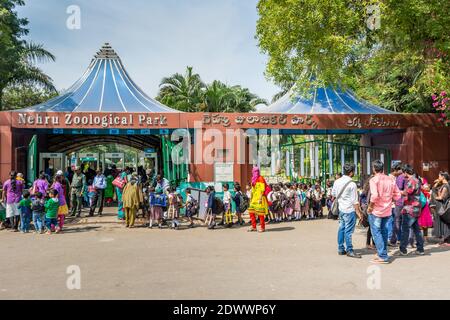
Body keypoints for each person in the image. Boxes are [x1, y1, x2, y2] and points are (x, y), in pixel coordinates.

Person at [367, 160, 402, 263]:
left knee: (376, 232)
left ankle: (382, 255)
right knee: (384, 231)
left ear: (374, 168)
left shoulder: (373, 180)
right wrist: (391, 200)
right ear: (382, 168)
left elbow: (374, 196)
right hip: (387, 209)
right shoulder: (390, 179)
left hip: (376, 210)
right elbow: (398, 194)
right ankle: (381, 253)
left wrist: (370, 207)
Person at [332, 163, 363, 259]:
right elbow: (355, 201)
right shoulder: (352, 184)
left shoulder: (337, 181)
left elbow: (333, 194)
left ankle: (341, 249)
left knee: (341, 228)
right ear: (351, 172)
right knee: (348, 231)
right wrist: (359, 213)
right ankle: (349, 250)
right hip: (349, 210)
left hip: (341, 209)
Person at [399, 165, 425, 256]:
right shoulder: (417, 180)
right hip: (416, 208)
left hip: (410, 209)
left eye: (403, 172)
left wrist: (397, 191)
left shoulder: (412, 181)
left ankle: (403, 249)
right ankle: (420, 249)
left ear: (406, 172)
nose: (402, 174)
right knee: (417, 229)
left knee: (405, 230)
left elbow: (407, 192)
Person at [248, 166, 270, 233]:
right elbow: (252, 190)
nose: (254, 172)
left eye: (255, 171)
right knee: (251, 212)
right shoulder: (253, 179)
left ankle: (262, 227)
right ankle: (254, 226)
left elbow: (262, 189)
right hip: (254, 198)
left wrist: (260, 198)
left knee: (260, 214)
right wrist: (251, 198)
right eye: (254, 171)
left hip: (260, 198)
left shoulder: (261, 178)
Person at [431, 171, 450, 246]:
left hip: (443, 206)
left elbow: (441, 197)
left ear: (443, 177)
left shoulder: (445, 186)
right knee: (444, 223)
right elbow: (434, 188)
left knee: (445, 223)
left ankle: (447, 240)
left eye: (439, 176)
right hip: (442, 206)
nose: (438, 177)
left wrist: (435, 197)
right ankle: (445, 240)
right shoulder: (445, 185)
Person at [389, 163, 406, 245]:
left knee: (397, 221)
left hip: (398, 202)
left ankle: (396, 239)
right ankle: (393, 238)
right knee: (394, 222)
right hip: (394, 203)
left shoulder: (399, 177)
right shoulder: (392, 178)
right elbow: (396, 191)